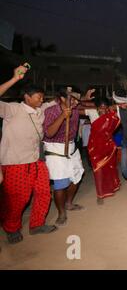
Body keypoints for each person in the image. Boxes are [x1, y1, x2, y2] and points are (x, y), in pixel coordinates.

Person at [0, 65, 58, 243]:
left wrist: (78, 98)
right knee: (18, 198)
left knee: (44, 192)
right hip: (16, 162)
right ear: (27, 97)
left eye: (42, 97)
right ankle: (12, 228)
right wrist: (15, 79)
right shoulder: (12, 110)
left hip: (37, 161)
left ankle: (37, 224)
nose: (41, 100)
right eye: (38, 97)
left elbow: (56, 101)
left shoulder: (40, 110)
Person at [43, 87, 95, 226]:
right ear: (61, 99)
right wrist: (62, 116)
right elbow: (49, 133)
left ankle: (69, 203)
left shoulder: (76, 109)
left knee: (77, 176)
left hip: (71, 147)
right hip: (55, 149)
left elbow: (91, 107)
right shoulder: (51, 111)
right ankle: (61, 213)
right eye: (72, 99)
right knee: (60, 184)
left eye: (77, 100)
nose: (75, 103)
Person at [85, 98, 121, 205]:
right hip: (95, 148)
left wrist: (114, 107)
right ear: (96, 108)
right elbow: (77, 109)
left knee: (110, 167)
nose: (103, 110)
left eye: (105, 108)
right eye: (101, 108)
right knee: (98, 169)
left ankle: (112, 186)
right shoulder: (91, 112)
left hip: (108, 146)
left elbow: (121, 110)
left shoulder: (112, 116)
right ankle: (100, 194)